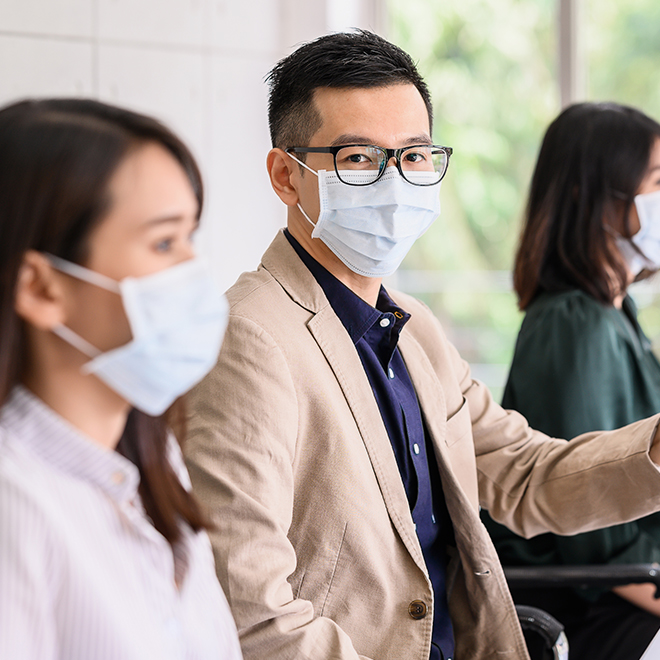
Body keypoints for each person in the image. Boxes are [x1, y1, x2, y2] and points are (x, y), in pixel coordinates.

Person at [184, 31, 660, 660]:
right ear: (285, 176)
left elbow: (524, 479)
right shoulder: (247, 339)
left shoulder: (416, 329)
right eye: (357, 158)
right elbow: (250, 611)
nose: (394, 181)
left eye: (412, 156)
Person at [0, 98, 243, 660]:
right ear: (40, 288)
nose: (193, 272)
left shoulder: (151, 461)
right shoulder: (16, 505)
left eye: (190, 238)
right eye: (163, 243)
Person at [481, 102, 660, 660]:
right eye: (657, 181)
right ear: (595, 198)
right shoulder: (574, 325)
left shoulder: (614, 313)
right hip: (595, 609)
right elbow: (596, 532)